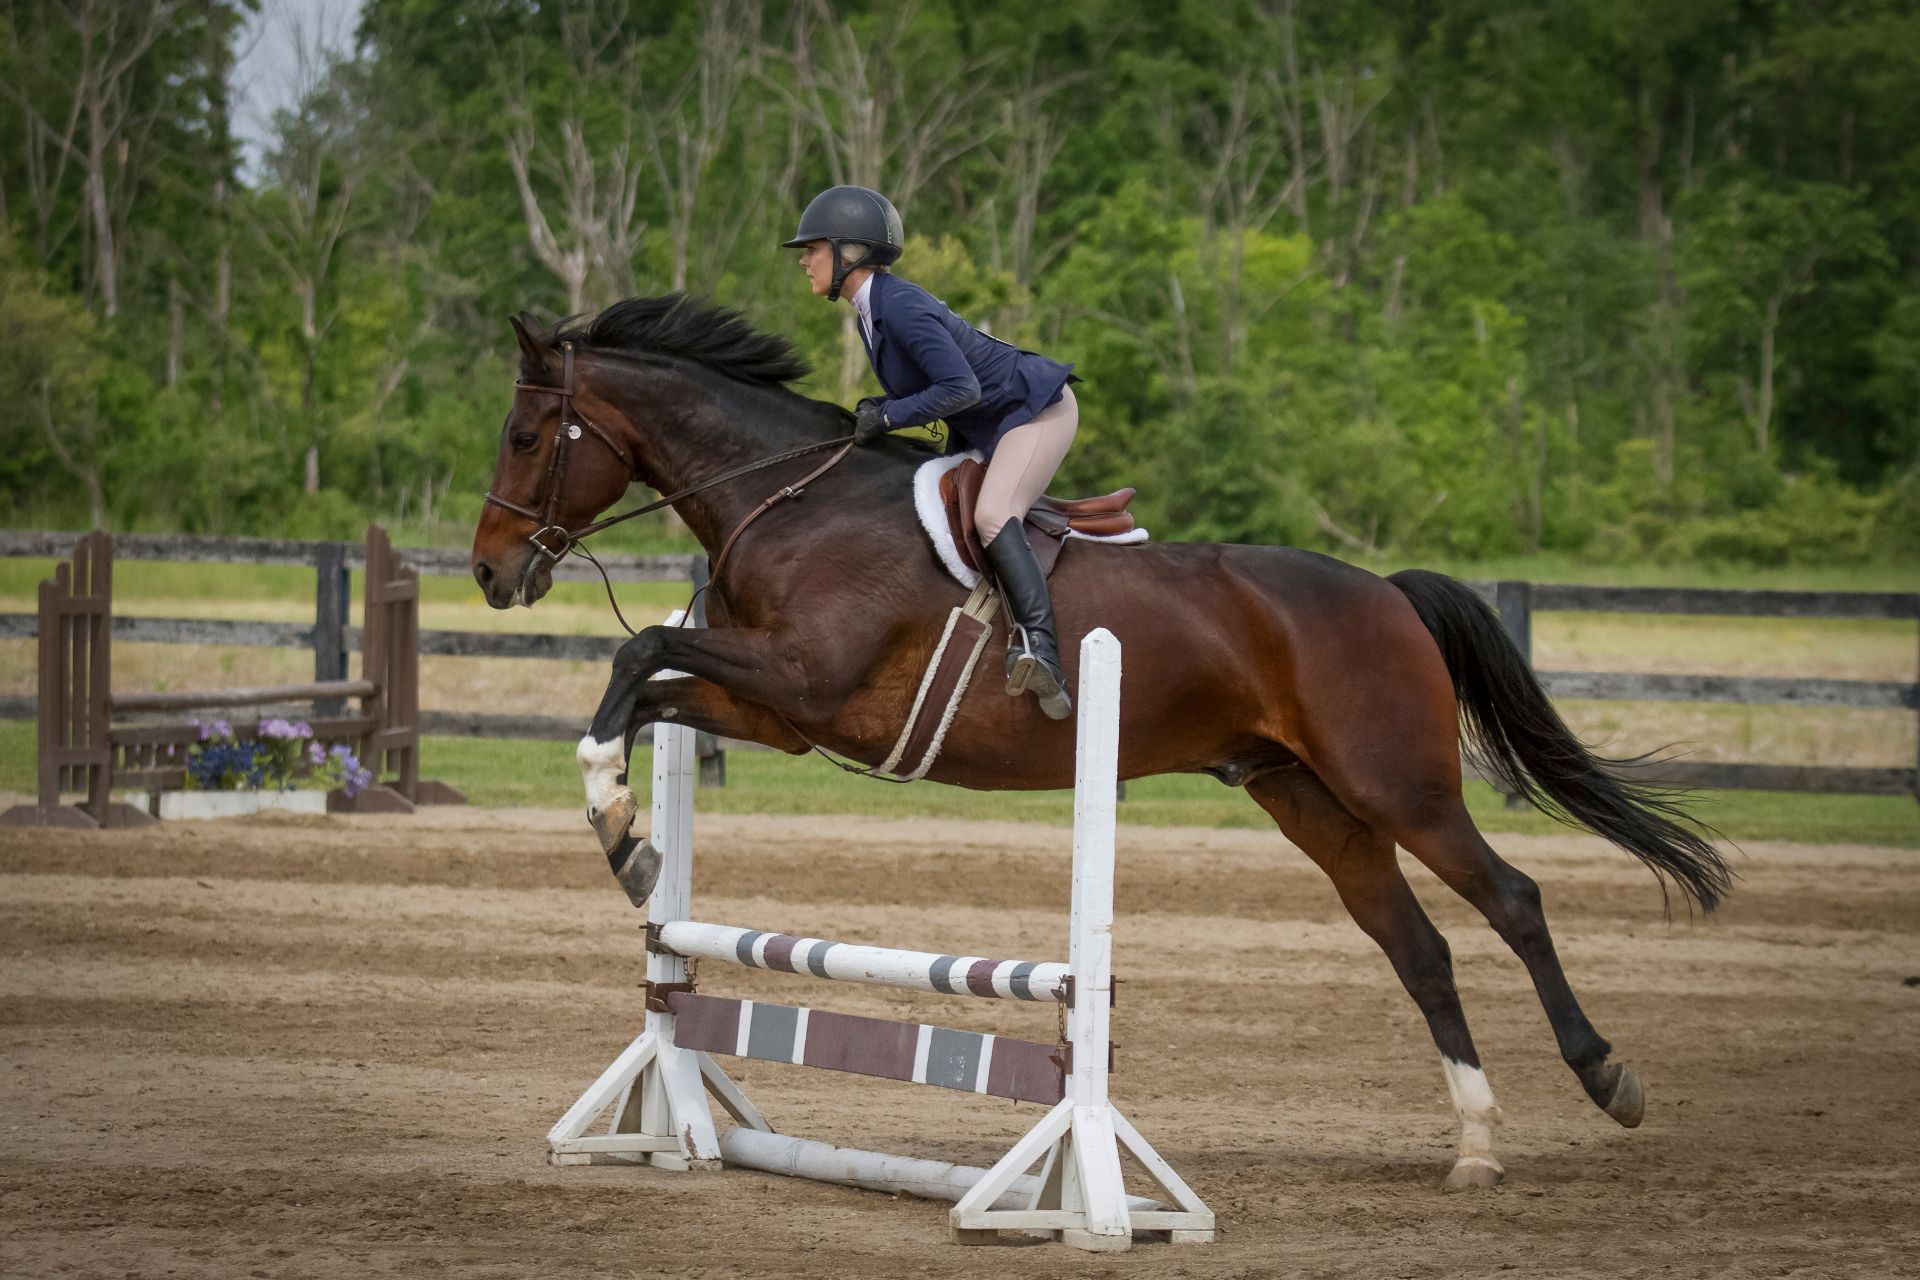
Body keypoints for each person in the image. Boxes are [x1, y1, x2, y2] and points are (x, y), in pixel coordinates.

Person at [783, 185, 1080, 720]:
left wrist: (888, 416)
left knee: (992, 515)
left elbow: (961, 388)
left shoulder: (898, 305)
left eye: (814, 248)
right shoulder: (871, 312)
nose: (805, 260)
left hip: (1034, 410)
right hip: (986, 424)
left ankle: (1042, 652)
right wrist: (881, 409)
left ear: (849, 252)